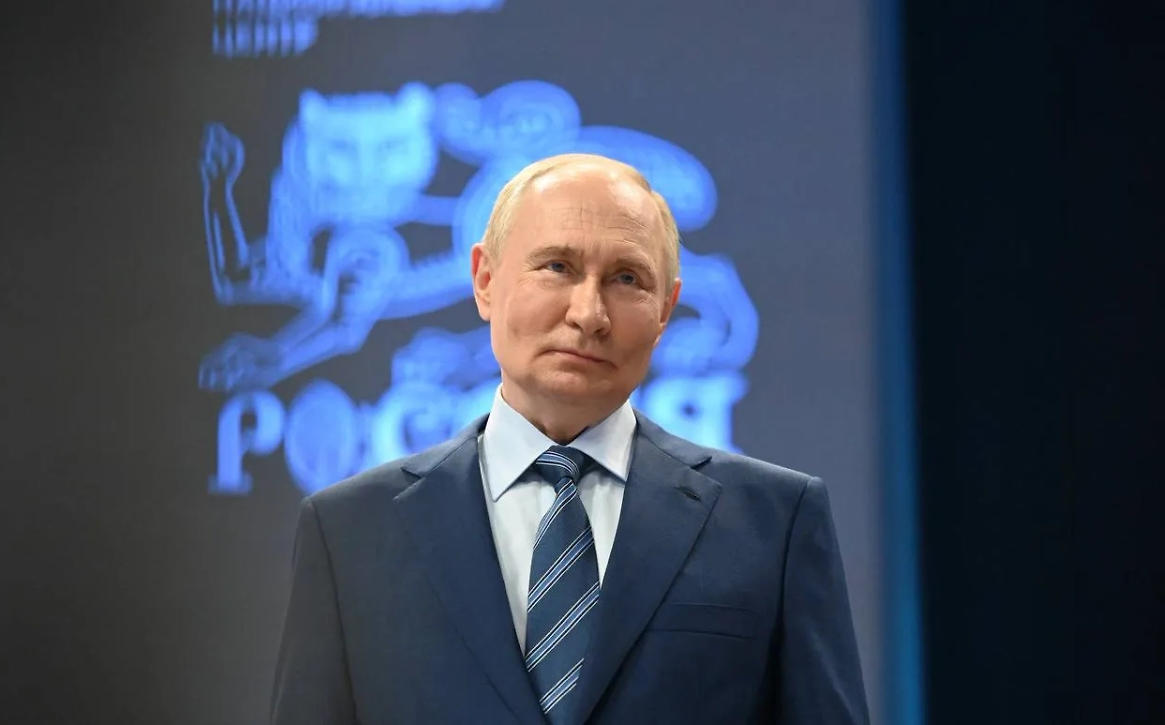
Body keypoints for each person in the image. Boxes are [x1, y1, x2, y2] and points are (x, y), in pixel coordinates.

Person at [270, 153, 870, 724]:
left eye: (627, 278)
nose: (589, 314)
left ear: (666, 310)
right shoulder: (349, 531)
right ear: (484, 280)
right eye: (557, 267)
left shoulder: (774, 522)